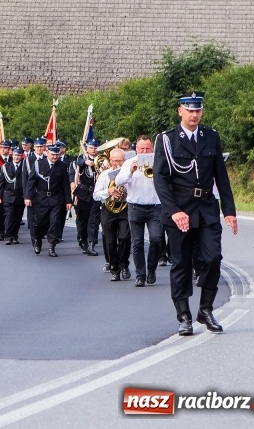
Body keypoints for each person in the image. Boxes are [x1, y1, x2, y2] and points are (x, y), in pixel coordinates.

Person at [153, 91, 237, 336]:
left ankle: (205, 310)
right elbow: (160, 179)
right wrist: (174, 211)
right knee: (180, 263)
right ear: (180, 111)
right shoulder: (167, 140)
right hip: (180, 208)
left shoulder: (211, 137)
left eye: (198, 110)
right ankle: (183, 316)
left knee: (213, 258)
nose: (194, 115)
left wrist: (229, 210)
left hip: (207, 207)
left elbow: (221, 175)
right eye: (189, 110)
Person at [115, 135, 163, 287]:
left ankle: (151, 269)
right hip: (135, 207)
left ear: (152, 149)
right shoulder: (129, 162)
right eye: (141, 148)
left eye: (147, 148)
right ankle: (140, 275)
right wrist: (130, 171)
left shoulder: (159, 160)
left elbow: (169, 180)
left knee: (156, 239)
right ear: (136, 149)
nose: (144, 151)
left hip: (155, 206)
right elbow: (118, 181)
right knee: (137, 243)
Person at [25, 144, 72, 257]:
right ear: (47, 153)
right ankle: (37, 240)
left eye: (57, 154)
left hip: (56, 199)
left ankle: (52, 246)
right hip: (41, 198)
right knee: (40, 223)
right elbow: (31, 182)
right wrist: (28, 197)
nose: (55, 157)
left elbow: (65, 184)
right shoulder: (38, 164)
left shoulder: (62, 166)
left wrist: (68, 201)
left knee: (54, 223)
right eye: (53, 154)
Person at [93, 148, 132, 280]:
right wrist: (108, 192)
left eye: (120, 161)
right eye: (115, 161)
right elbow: (95, 195)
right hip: (108, 209)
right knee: (110, 241)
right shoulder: (104, 175)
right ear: (110, 161)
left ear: (125, 160)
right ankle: (115, 269)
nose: (118, 164)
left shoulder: (129, 173)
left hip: (125, 208)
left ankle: (124, 265)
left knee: (125, 238)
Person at [73, 139, 102, 256]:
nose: (94, 149)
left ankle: (92, 244)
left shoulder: (101, 159)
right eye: (91, 147)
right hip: (83, 193)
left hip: (96, 193)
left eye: (95, 147)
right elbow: (79, 163)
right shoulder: (82, 157)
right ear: (87, 148)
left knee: (94, 220)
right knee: (83, 219)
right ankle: (83, 239)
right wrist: (86, 162)